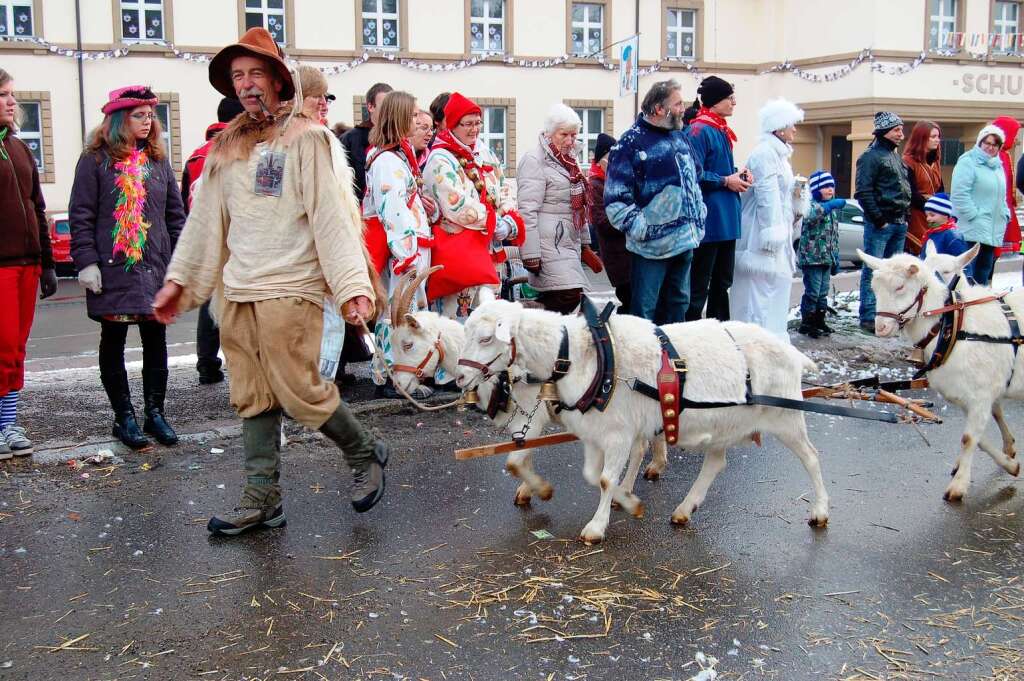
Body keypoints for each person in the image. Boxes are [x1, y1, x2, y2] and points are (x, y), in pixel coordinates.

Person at [152, 27, 388, 535]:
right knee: (251, 392)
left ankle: (365, 451)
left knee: (299, 388)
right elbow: (204, 221)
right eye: (237, 76)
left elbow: (332, 216)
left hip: (291, 285)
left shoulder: (309, 139)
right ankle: (263, 498)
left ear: (278, 80)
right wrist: (180, 280)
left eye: (255, 73)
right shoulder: (226, 148)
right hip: (238, 291)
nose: (246, 84)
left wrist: (351, 286)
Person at [69, 85, 185, 449]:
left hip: (154, 265)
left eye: (151, 115)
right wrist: (86, 261)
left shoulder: (157, 161)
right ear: (119, 119)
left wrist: (180, 263)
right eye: (139, 115)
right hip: (113, 267)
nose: (148, 122)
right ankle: (124, 417)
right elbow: (81, 215)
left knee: (156, 339)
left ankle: (155, 413)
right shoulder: (95, 160)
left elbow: (175, 215)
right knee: (114, 340)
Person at [604, 79, 705, 324]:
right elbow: (615, 201)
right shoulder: (630, 143)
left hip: (685, 241)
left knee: (678, 307)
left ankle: (674, 360)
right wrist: (644, 229)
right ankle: (645, 362)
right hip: (651, 249)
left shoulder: (680, 138)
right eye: (678, 103)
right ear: (659, 109)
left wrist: (698, 214)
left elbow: (696, 178)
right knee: (644, 314)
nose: (684, 108)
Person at [363, 91, 440, 393]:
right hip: (404, 253)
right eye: (414, 114)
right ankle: (389, 374)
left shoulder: (396, 157)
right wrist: (406, 255)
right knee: (396, 313)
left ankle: (399, 373)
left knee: (401, 313)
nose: (420, 119)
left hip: (410, 248)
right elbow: (392, 210)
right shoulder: (388, 161)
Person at [423, 92, 524, 320]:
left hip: (489, 254)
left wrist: (508, 218)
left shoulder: (483, 152)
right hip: (461, 255)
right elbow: (456, 205)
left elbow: (503, 187)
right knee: (459, 321)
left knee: (489, 319)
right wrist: (492, 219)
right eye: (467, 124)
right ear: (452, 125)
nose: (474, 129)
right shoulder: (440, 158)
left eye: (478, 123)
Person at [0, 68, 58, 459]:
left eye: (11, 95)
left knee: (16, 348)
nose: (11, 101)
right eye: (2, 94)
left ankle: (8, 424)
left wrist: (48, 261)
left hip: (27, 263)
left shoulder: (19, 148)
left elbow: (37, 205)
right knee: (2, 346)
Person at [732, 98, 808, 342]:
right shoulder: (765, 154)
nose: (795, 129)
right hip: (760, 235)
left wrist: (797, 203)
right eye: (791, 124)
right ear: (778, 127)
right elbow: (767, 196)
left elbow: (780, 195)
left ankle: (771, 343)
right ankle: (755, 345)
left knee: (774, 293)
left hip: (776, 233)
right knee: (757, 296)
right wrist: (772, 233)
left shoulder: (779, 156)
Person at [181, 96, 245, 386]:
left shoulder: (196, 155)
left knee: (210, 302)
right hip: (237, 237)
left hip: (208, 240)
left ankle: (207, 362)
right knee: (240, 302)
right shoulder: (240, 150)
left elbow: (185, 202)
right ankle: (241, 364)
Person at [517, 103, 603, 314]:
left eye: (574, 135)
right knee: (569, 294)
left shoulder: (569, 160)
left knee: (565, 296)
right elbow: (527, 210)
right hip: (548, 242)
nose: (570, 141)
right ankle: (521, 314)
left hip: (566, 241)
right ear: (550, 132)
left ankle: (539, 335)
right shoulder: (534, 159)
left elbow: (578, 207)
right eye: (564, 134)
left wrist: (584, 245)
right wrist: (530, 253)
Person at [685, 76, 750, 322]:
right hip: (709, 221)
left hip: (726, 221)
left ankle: (720, 330)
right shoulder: (698, 130)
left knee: (723, 282)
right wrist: (726, 181)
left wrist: (738, 175)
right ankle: (689, 332)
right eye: (729, 98)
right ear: (714, 102)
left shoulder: (719, 129)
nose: (734, 102)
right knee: (698, 285)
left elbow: (720, 167)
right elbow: (693, 173)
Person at [854, 111, 911, 333]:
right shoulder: (870, 157)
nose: (901, 134)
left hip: (899, 222)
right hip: (882, 224)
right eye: (897, 129)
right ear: (884, 131)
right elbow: (863, 191)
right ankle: (868, 314)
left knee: (894, 274)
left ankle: (890, 313)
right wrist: (879, 220)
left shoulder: (895, 156)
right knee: (874, 270)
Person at [950, 124, 1010, 286]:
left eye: (995, 144)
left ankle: (980, 309)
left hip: (992, 228)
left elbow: (1001, 195)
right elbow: (959, 194)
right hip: (972, 228)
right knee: (967, 274)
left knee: (984, 272)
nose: (990, 148)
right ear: (979, 142)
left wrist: (1005, 214)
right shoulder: (968, 162)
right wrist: (974, 216)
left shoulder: (997, 165)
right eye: (987, 143)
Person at [796, 170, 844, 339]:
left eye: (831, 186)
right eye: (825, 187)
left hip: (825, 259)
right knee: (813, 292)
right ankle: (807, 322)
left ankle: (819, 320)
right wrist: (830, 206)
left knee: (823, 292)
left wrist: (835, 257)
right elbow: (811, 216)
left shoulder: (832, 212)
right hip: (812, 259)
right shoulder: (811, 205)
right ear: (816, 189)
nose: (830, 190)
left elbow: (834, 237)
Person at [589, 132, 630, 313]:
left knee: (633, 298)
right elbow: (601, 220)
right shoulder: (596, 184)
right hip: (617, 253)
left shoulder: (614, 180)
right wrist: (629, 221)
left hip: (627, 252)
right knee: (628, 297)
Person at [341, 82, 393, 199]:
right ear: (370, 107)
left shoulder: (399, 139)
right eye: (384, 105)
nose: (389, 111)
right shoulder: (350, 139)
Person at [902, 120, 944, 256]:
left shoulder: (935, 160)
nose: (937, 140)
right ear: (921, 138)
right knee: (921, 253)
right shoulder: (908, 161)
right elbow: (911, 193)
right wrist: (931, 207)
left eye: (938, 136)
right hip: (917, 215)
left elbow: (940, 189)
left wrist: (942, 208)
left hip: (935, 214)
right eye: (933, 137)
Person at [991, 116, 1021, 255]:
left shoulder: (1004, 155)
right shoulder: (997, 157)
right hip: (999, 212)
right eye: (1014, 135)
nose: (1016, 140)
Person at [920, 193, 971, 266]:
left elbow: (962, 261)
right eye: (927, 215)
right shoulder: (930, 233)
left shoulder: (952, 235)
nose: (928, 218)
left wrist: (966, 276)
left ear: (945, 215)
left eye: (932, 215)